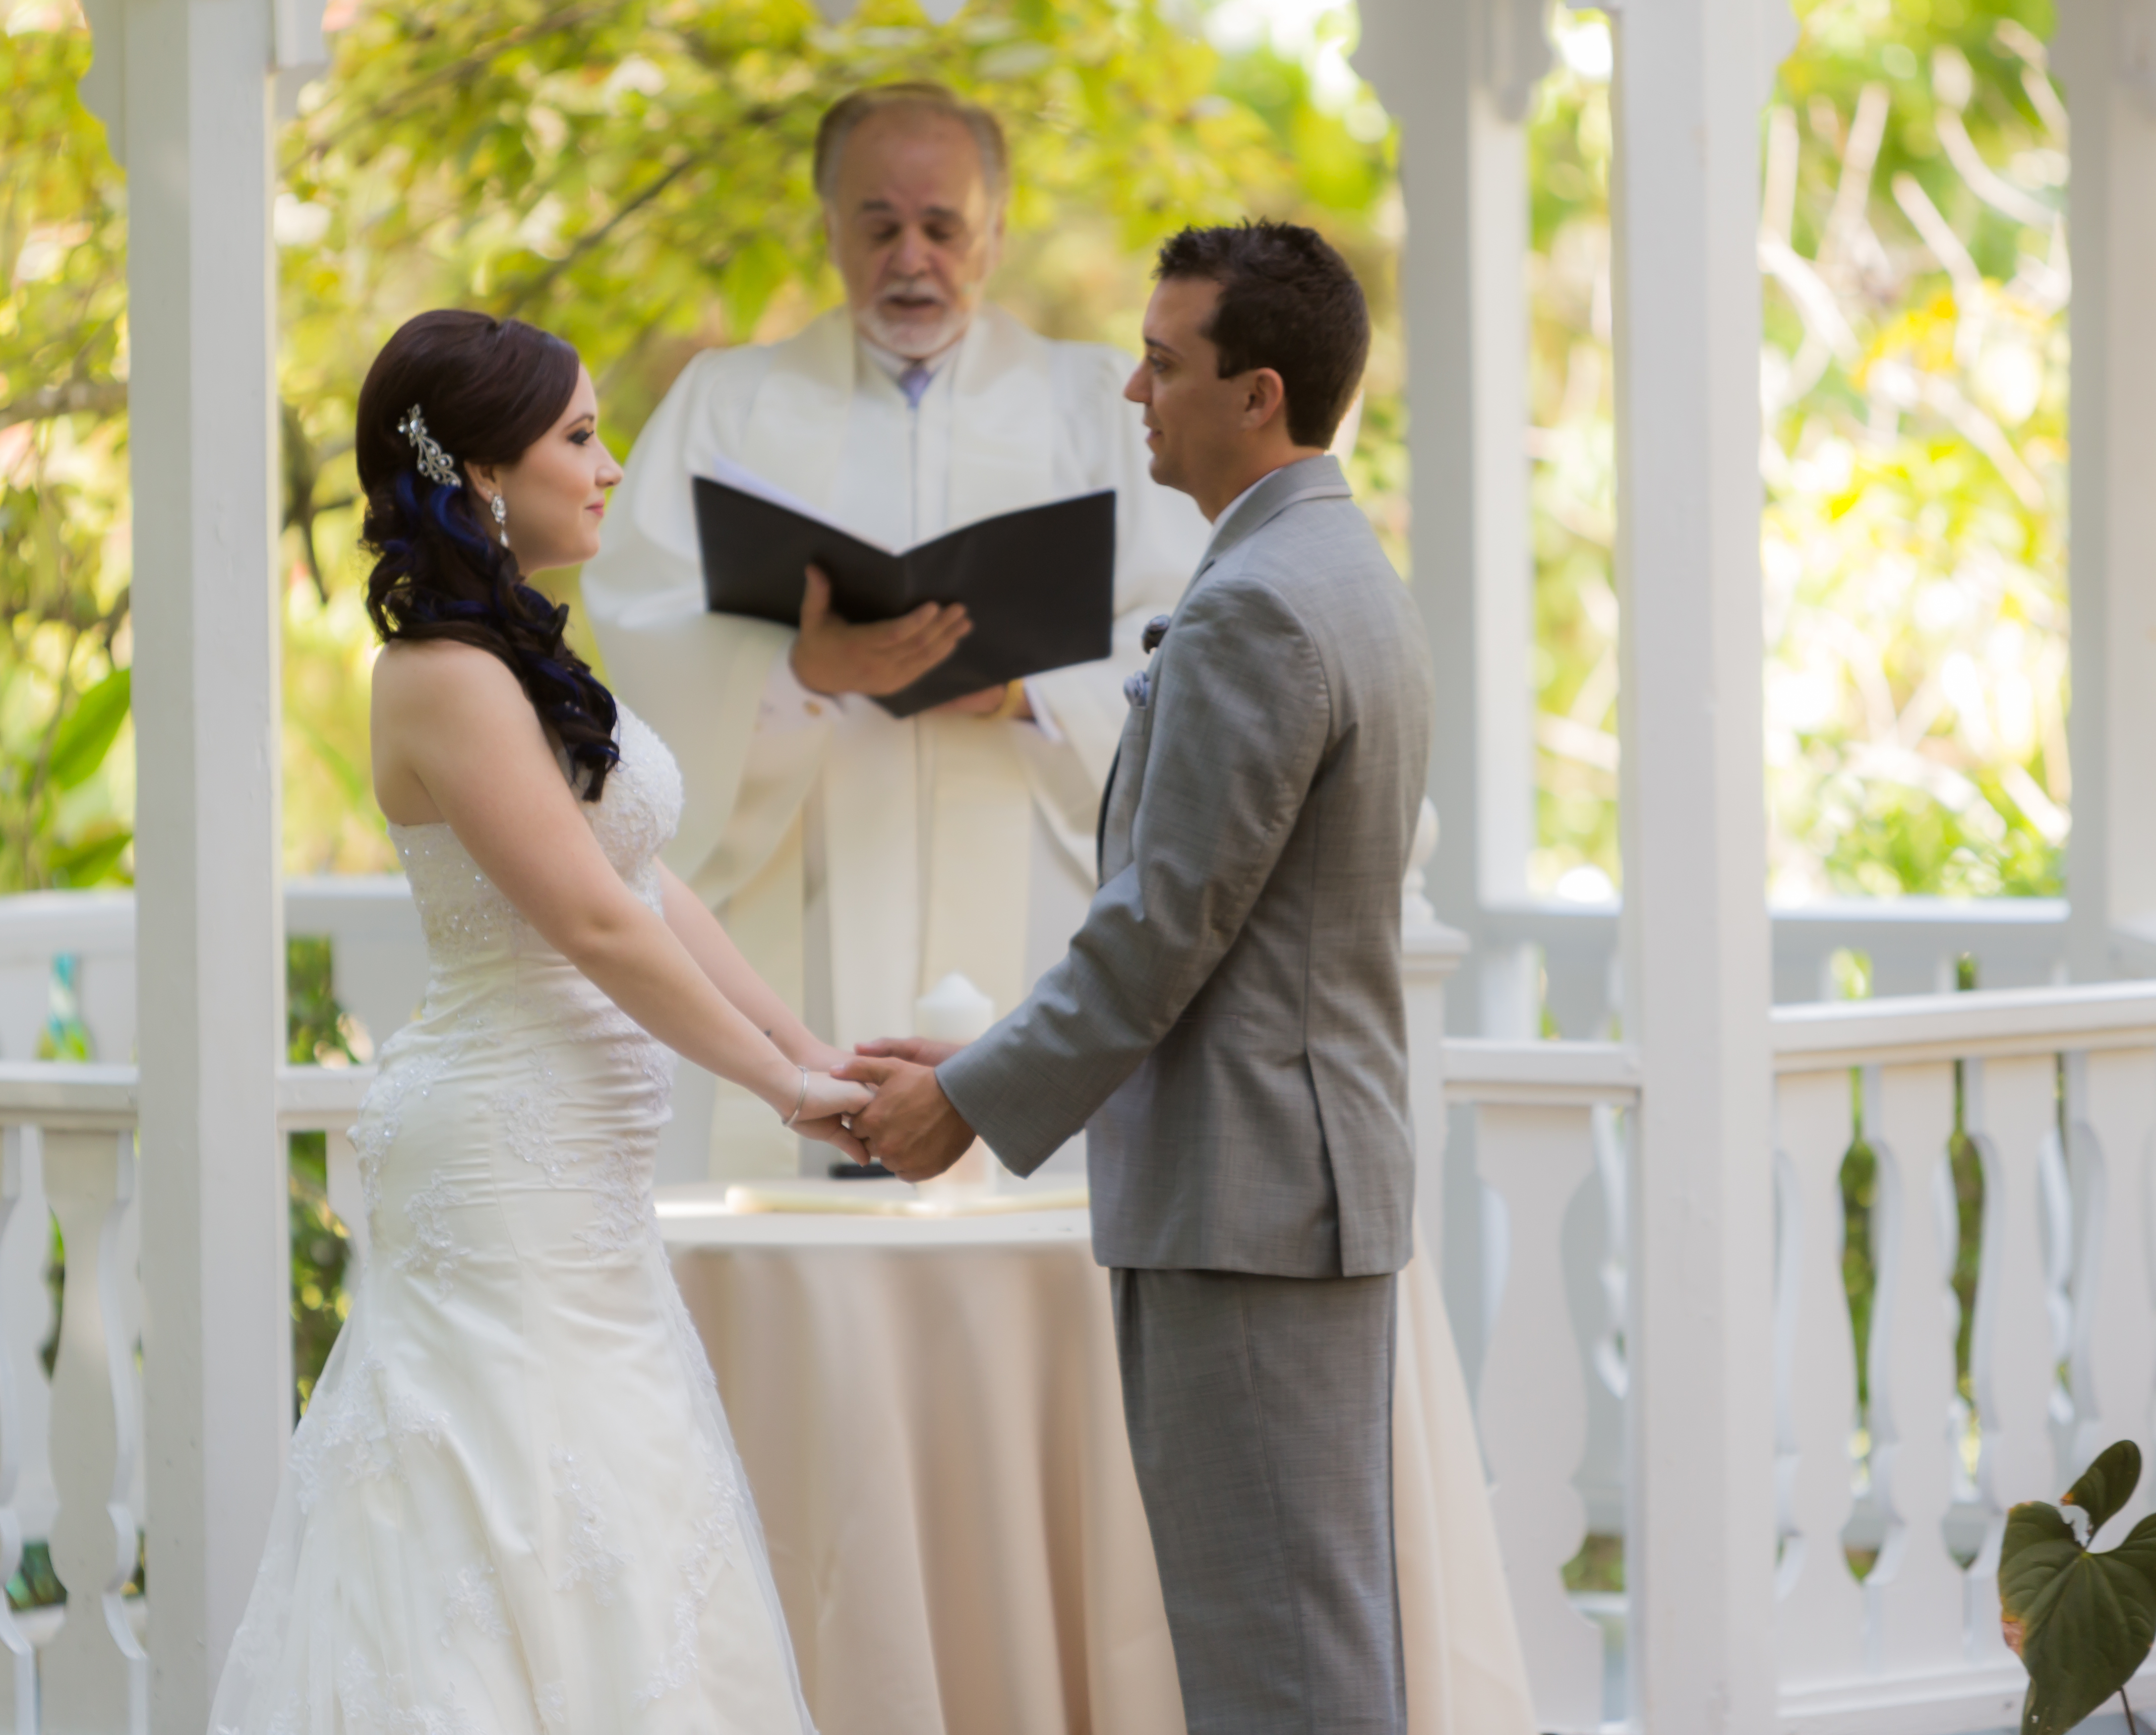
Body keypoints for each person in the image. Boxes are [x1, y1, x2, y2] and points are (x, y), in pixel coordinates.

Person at [844, 222, 1531, 1734]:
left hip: (1248, 1194)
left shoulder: (1256, 605)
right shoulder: (1342, 564)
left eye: (1164, 365)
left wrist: (965, 1096)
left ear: (1260, 394)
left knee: (1275, 1657)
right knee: (1311, 1629)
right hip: (1299, 1183)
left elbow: (1165, 926)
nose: (1136, 394)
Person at [207, 309, 868, 1735]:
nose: (612, 463)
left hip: (584, 1182)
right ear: (484, 473)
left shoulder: (520, 659)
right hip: (503, 1169)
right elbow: (591, 920)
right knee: (507, 1530)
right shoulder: (438, 678)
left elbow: (650, 885)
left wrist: (811, 1050)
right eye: (580, 434)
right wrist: (774, 1088)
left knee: (628, 1528)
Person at [580, 81, 1205, 1176]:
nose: (909, 257)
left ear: (995, 230)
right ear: (828, 227)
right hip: (800, 895)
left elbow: (1191, 637)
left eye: (941, 225)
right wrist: (790, 672)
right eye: (877, 225)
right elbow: (637, 623)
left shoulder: (1094, 405)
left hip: (1033, 896)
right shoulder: (729, 403)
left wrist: (1025, 691)